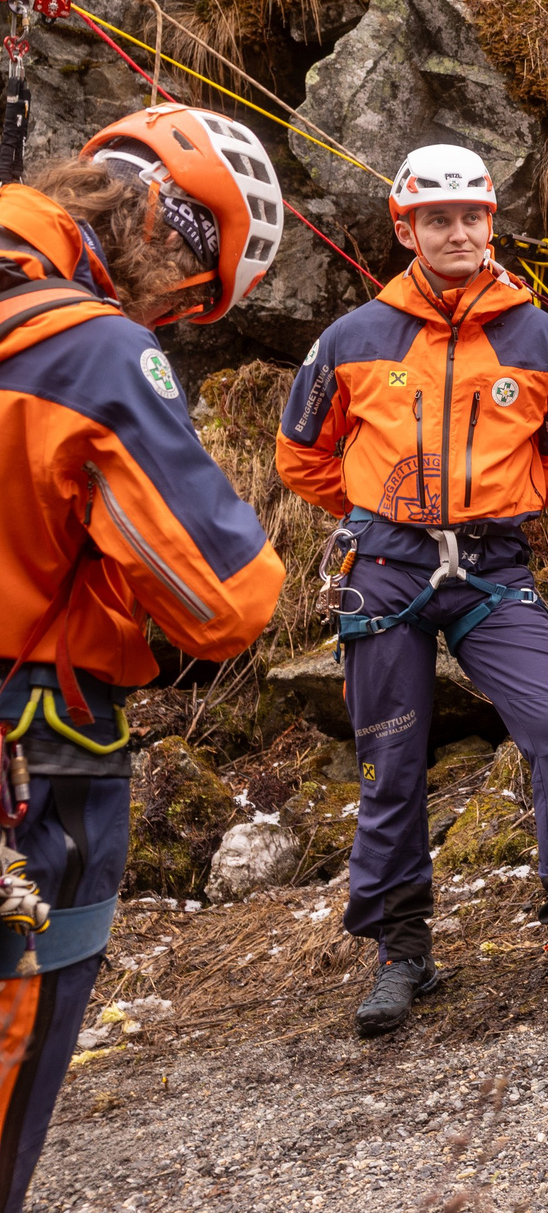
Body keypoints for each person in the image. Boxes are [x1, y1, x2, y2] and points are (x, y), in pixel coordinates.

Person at [279, 143, 548, 1030]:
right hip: (386, 571)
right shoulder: (353, 336)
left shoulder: (537, 335)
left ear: (490, 221)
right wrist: (379, 510)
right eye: (437, 218)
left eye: (471, 216)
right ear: (406, 226)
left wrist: (495, 503)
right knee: (392, 766)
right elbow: (299, 454)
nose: (457, 231)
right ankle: (402, 955)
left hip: (493, 570)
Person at [0, 105, 284, 1208]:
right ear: (171, 224)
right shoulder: (91, 348)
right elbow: (225, 600)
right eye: (189, 292)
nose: (173, 316)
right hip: (39, 749)